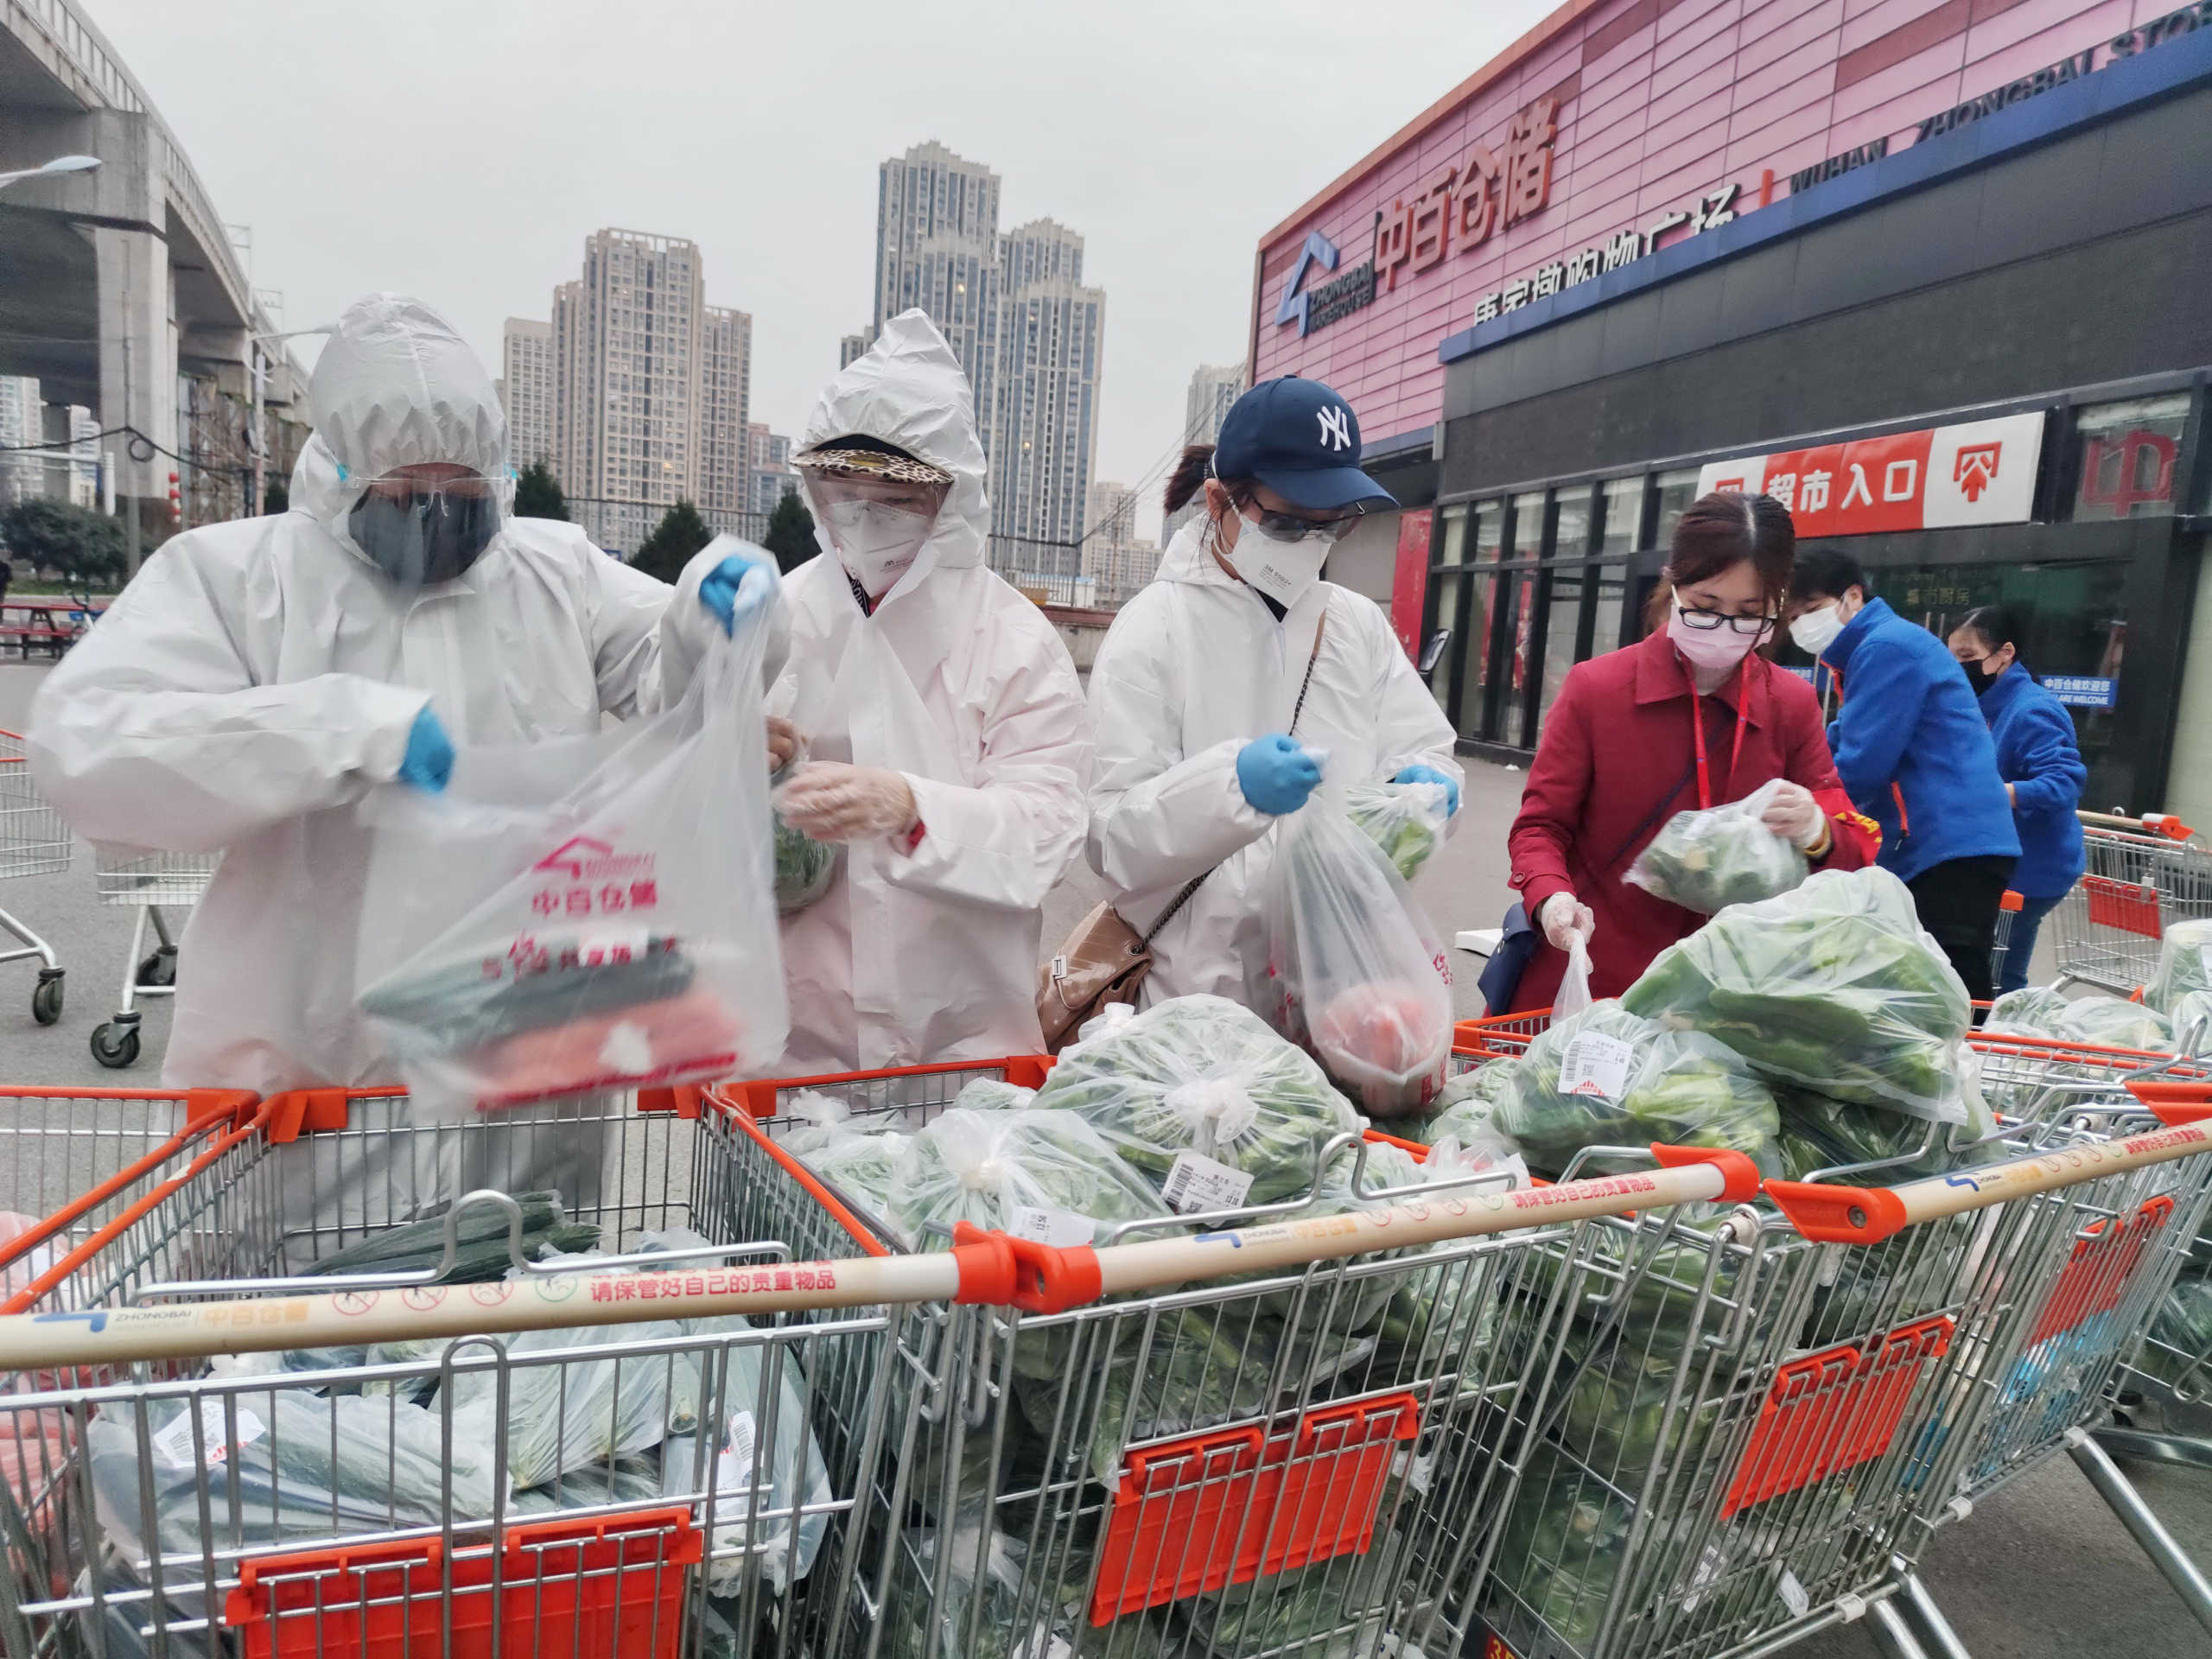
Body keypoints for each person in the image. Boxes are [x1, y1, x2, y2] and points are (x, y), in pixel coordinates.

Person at [29, 292, 783, 1097]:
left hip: (527, 1033)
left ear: (496, 474)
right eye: (403, 495)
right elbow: (91, 745)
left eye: (460, 495)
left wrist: (709, 621)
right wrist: (337, 730)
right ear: (339, 472)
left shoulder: (555, 569)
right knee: (306, 1223)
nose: (434, 518)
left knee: (534, 1226)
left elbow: (667, 682)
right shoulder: (238, 577)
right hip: (307, 1044)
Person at [765, 309, 1092, 1071]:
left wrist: (915, 810)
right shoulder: (778, 617)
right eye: (842, 484)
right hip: (791, 1056)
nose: (864, 509)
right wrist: (732, 759)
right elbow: (683, 812)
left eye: (897, 493)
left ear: (954, 497)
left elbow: (1047, 830)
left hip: (962, 1055)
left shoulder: (1012, 640)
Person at [1086, 374, 1462, 1006]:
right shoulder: (1157, 626)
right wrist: (1229, 788)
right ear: (1218, 502)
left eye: (1332, 525)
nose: (1311, 544)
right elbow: (1110, 839)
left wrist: (1426, 790)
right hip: (1199, 994)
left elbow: (1420, 746)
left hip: (1340, 986)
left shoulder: (1354, 623)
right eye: (1289, 523)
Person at [1507, 493, 1872, 1008]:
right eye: (1705, 607)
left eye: (1751, 613)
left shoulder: (1789, 703)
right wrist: (1551, 897)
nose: (1726, 628)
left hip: (1734, 995)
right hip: (1601, 979)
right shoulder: (1598, 689)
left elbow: (1848, 837)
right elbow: (1540, 826)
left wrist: (1817, 832)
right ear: (1672, 584)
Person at [1787, 548, 2019, 1000]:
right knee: (1930, 981)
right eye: (1793, 616)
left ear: (1852, 597)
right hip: (1948, 840)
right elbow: (1839, 741)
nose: (1800, 626)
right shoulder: (1877, 646)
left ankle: (1978, 1066)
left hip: (1949, 843)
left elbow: (1861, 764)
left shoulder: (1885, 647)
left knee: (1945, 988)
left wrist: (1805, 820)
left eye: (1810, 610)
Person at [1946, 605, 2087, 995]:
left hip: (2032, 869)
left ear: (2005, 653)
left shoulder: (2032, 709)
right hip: (1999, 859)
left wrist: (1996, 795)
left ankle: (2006, 1044)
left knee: (1999, 975)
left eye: (1968, 658)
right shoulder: (1984, 703)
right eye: (1952, 658)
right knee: (1986, 967)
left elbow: (2063, 782)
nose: (1959, 668)